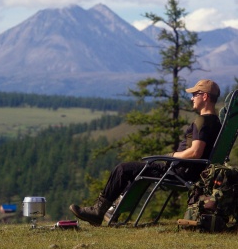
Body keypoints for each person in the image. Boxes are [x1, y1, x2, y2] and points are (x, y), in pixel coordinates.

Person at [69, 79, 222, 226]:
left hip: (179, 172)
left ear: (205, 96)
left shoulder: (202, 121)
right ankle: (112, 211)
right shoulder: (217, 122)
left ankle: (98, 212)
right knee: (136, 171)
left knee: (123, 169)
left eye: (195, 94)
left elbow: (195, 152)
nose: (192, 98)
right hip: (191, 171)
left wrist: (171, 156)